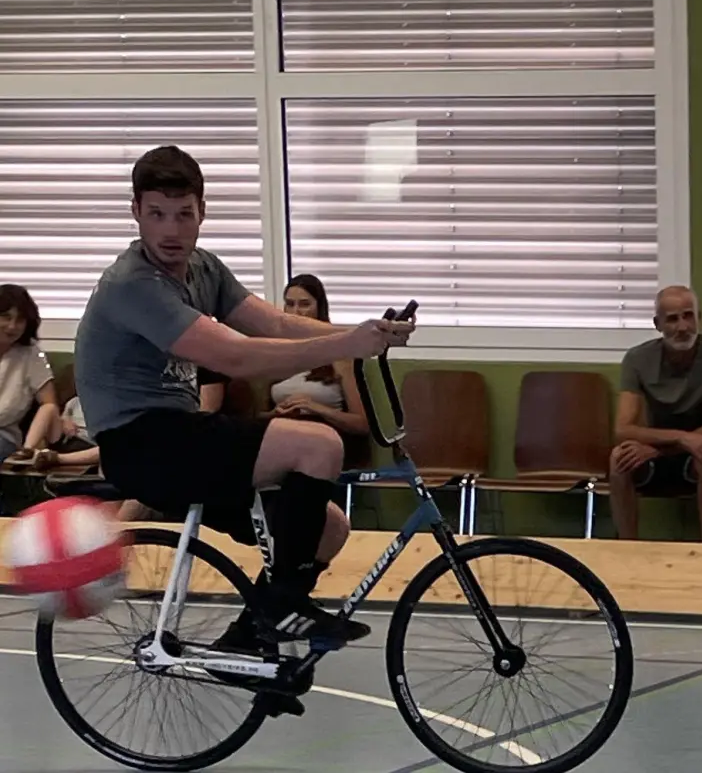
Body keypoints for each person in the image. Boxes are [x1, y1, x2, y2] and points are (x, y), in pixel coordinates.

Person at [73, 146, 413, 701]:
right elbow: (236, 358)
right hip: (144, 444)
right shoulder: (131, 284)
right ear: (135, 211)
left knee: (328, 528)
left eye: (184, 214)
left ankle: (243, 642)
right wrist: (345, 345)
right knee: (317, 444)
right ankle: (280, 608)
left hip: (183, 438)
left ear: (202, 211)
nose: (171, 229)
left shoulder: (204, 268)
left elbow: (274, 324)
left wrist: (361, 333)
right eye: (157, 213)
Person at [610, 286, 702, 542]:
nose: (683, 326)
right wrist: (680, 439)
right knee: (619, 458)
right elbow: (623, 429)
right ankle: (627, 546)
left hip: (697, 448)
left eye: (688, 316)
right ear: (657, 324)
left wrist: (664, 447)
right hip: (661, 448)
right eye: (673, 319)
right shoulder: (636, 359)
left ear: (699, 317)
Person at [265, 274, 371, 460]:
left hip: (324, 438)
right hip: (283, 435)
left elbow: (362, 424)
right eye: (289, 304)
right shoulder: (278, 351)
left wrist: (315, 407)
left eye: (304, 304)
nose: (296, 312)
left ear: (319, 308)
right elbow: (259, 417)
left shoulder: (339, 355)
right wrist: (274, 413)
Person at [0, 284, 60, 464]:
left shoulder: (30, 353)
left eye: (20, 320)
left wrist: (28, 448)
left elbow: (49, 404)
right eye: (5, 317)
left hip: (4, 435)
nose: (12, 326)